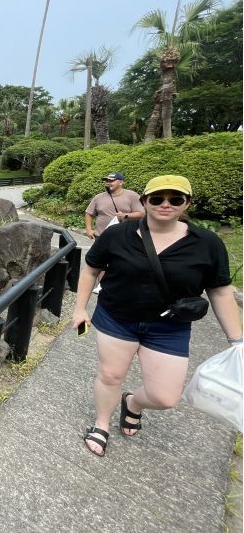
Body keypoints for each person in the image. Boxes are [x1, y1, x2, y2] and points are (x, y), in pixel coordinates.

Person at [71, 175, 242, 458]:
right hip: (117, 316)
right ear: (144, 201)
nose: (166, 204)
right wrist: (80, 309)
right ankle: (102, 423)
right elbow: (90, 269)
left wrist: (237, 341)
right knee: (111, 375)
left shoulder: (207, 243)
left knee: (165, 397)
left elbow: (220, 291)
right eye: (157, 198)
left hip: (169, 326)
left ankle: (133, 403)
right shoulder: (119, 235)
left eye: (175, 199)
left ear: (186, 203)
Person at [84, 172, 145, 240]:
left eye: (112, 181)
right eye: (107, 181)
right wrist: (89, 229)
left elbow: (142, 214)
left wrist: (125, 215)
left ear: (121, 182)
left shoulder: (132, 196)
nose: (108, 182)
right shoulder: (98, 197)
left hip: (124, 238)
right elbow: (88, 213)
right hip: (101, 237)